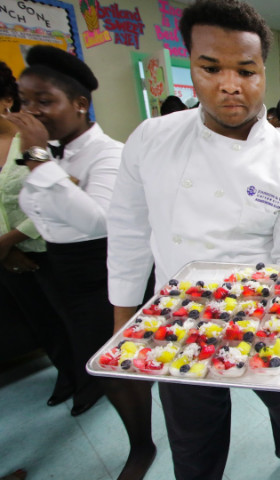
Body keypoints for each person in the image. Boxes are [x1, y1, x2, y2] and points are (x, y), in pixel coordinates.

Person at [106, 2, 280, 479]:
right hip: (173, 313)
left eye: (246, 70)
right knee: (192, 433)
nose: (229, 84)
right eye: (210, 67)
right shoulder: (149, 139)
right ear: (191, 68)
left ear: (263, 71)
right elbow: (127, 234)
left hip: (263, 309)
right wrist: (123, 328)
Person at [7, 45, 156, 480]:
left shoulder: (110, 153)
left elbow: (98, 220)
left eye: (44, 101)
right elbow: (37, 208)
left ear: (80, 103)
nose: (33, 113)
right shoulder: (55, 151)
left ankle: (142, 446)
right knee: (92, 356)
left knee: (117, 366)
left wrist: (36, 158)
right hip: (62, 267)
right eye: (26, 101)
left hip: (100, 270)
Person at [0, 60, 75, 407]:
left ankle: (92, 383)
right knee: (39, 321)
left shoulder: (34, 138)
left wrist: (11, 237)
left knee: (70, 317)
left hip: (49, 245)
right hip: (7, 255)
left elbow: (58, 193)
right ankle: (66, 374)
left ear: (5, 99)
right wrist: (6, 249)